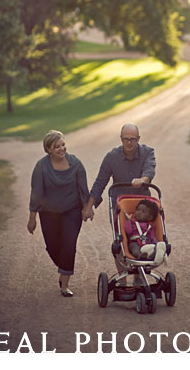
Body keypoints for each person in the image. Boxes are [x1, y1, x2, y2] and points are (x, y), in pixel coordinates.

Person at [81, 123, 156, 283]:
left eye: (133, 139)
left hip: (142, 205)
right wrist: (89, 207)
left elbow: (149, 170)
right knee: (120, 240)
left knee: (141, 238)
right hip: (120, 206)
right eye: (126, 139)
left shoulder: (148, 152)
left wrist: (142, 180)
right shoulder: (112, 157)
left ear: (138, 139)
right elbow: (100, 182)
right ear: (121, 139)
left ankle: (138, 276)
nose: (129, 143)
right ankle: (122, 278)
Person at [27, 130, 90, 297]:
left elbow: (83, 188)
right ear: (48, 149)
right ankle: (64, 266)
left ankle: (65, 283)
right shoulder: (41, 166)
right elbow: (36, 193)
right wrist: (32, 218)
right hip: (49, 213)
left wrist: (86, 208)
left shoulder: (75, 163)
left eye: (63, 144)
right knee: (53, 247)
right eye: (57, 147)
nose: (62, 149)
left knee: (69, 245)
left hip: (72, 211)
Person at [123, 199, 166, 264]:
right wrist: (128, 220)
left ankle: (155, 253)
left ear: (149, 217)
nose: (139, 212)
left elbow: (152, 237)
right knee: (135, 249)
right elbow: (128, 231)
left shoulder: (150, 226)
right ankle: (140, 256)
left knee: (152, 247)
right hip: (135, 242)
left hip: (147, 243)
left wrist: (155, 243)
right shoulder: (132, 223)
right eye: (138, 210)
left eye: (143, 212)